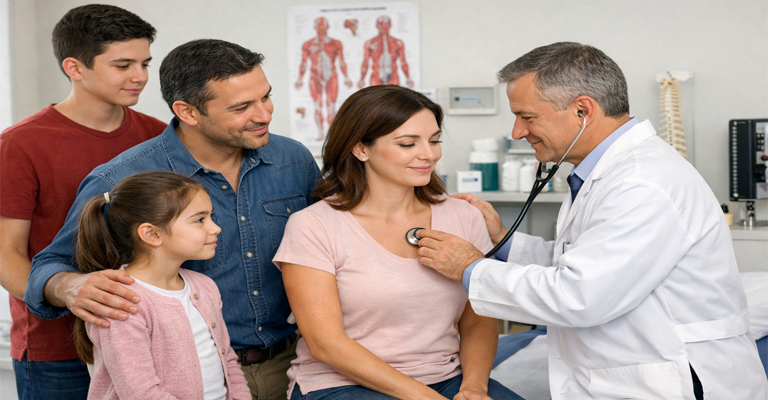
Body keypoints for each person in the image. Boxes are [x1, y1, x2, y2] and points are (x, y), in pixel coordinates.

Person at [416, 42, 768, 399]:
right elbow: (585, 261)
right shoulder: (608, 173)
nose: (517, 132)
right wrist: (503, 241)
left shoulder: (642, 182)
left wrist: (469, 268)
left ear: (583, 110)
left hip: (675, 381)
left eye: (527, 117)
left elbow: (579, 295)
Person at [26, 39, 321, 400]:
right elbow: (49, 265)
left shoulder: (293, 160)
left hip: (290, 364)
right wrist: (68, 286)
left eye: (266, 97)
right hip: (178, 375)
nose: (264, 115)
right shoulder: (121, 178)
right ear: (188, 111)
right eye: (242, 107)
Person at [274, 85, 523, 400]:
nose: (429, 154)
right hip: (341, 383)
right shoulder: (314, 226)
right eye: (408, 143)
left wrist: (474, 387)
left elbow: (478, 320)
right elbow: (326, 344)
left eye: (434, 140)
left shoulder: (464, 216)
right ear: (360, 149)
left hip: (446, 378)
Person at [0, 5, 163, 399]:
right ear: (74, 67)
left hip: (146, 337)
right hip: (57, 352)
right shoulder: (19, 144)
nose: (140, 76)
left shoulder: (159, 137)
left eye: (144, 63)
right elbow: (6, 254)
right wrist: (66, 289)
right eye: (123, 65)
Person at [74, 172, 250, 399]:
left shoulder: (205, 287)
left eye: (211, 217)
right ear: (152, 234)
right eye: (199, 220)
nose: (215, 228)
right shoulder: (121, 301)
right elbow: (140, 392)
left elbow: (228, 361)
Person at [295, 17, 353, 141]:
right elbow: (304, 63)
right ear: (315, 27)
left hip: (331, 76)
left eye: (324, 25)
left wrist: (346, 77)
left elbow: (341, 62)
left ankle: (332, 135)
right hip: (315, 76)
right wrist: (300, 78)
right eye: (319, 25)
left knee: (331, 106)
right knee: (318, 106)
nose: (322, 28)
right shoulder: (308, 44)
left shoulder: (335, 43)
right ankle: (321, 133)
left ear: (328, 26)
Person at [358, 16, 414, 89]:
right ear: (377, 25)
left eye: (386, 24)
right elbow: (365, 63)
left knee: (393, 96)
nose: (384, 26)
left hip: (393, 77)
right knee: (376, 96)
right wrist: (362, 79)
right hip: (376, 77)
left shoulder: (397, 43)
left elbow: (403, 62)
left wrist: (408, 77)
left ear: (390, 25)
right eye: (381, 24)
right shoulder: (370, 43)